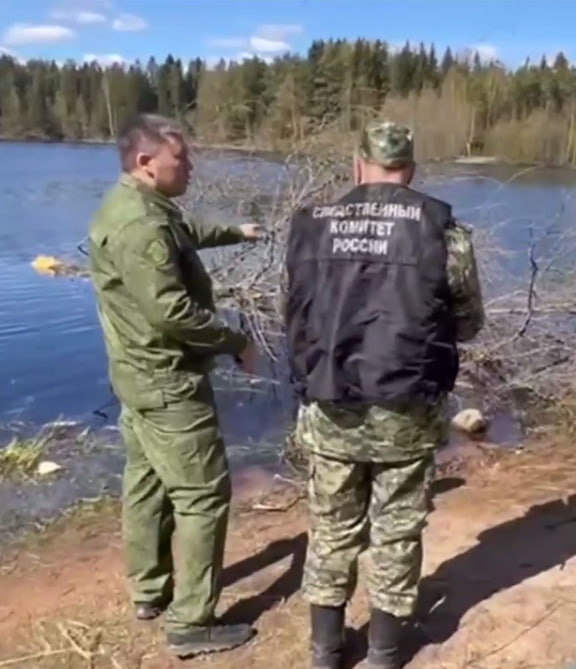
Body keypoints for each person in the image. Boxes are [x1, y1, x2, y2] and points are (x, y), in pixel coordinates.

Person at [284, 120, 485, 669]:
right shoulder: (442, 230)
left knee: (330, 527)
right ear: (411, 172)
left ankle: (325, 651)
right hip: (407, 404)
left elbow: (295, 310)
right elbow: (467, 322)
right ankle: (384, 652)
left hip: (331, 404)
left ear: (357, 167)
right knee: (396, 527)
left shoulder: (311, 226)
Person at [86, 113, 264, 659]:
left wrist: (235, 231)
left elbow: (181, 237)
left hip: (136, 378)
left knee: (145, 481)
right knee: (203, 494)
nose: (189, 166)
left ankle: (149, 590)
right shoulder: (141, 226)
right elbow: (172, 311)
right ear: (146, 163)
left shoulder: (137, 208)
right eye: (181, 158)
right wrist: (234, 341)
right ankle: (192, 621)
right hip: (167, 380)